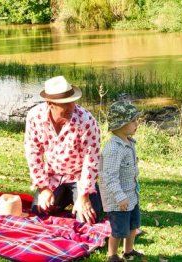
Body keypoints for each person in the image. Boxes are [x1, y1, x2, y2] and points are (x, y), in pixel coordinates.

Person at [25, 75, 102, 224]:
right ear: (50, 103)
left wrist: (84, 196)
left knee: (87, 219)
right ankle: (61, 199)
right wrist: (43, 188)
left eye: (72, 101)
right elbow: (33, 153)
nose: (71, 107)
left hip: (79, 177)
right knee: (38, 212)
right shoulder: (34, 117)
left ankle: (90, 198)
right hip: (53, 176)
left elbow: (91, 160)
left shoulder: (87, 121)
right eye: (64, 104)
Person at [99, 101, 145, 262]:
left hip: (131, 194)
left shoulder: (129, 143)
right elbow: (108, 176)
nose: (136, 124)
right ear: (120, 124)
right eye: (133, 121)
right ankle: (112, 255)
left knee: (133, 225)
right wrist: (119, 196)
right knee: (119, 229)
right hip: (118, 199)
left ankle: (129, 250)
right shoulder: (113, 149)